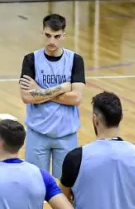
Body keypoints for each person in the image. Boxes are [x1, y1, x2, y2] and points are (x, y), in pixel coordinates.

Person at [19, 13, 86, 178]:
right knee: (35, 184)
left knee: (66, 186)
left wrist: (40, 91)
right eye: (48, 35)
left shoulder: (75, 60)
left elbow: (76, 98)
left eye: (57, 36)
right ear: (42, 33)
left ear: (64, 35)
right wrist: (62, 88)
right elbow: (26, 97)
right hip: (37, 133)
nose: (52, 41)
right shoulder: (30, 60)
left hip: (66, 134)